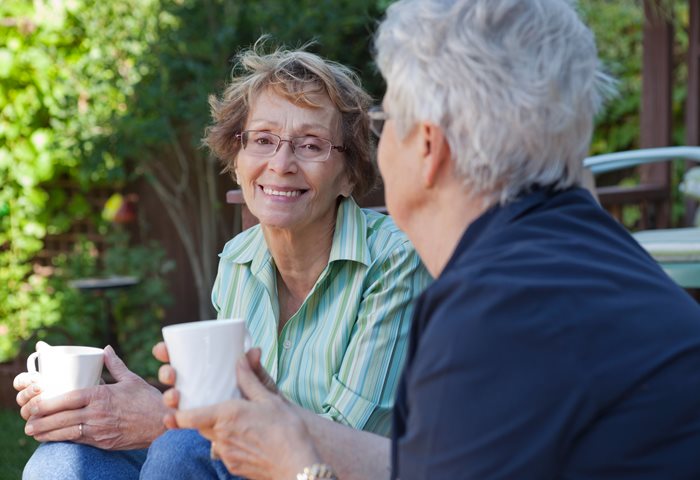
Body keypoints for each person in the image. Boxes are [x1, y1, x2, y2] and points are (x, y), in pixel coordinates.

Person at [163, 0, 700, 479]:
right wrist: (279, 421)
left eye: (386, 118)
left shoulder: (492, 309)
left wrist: (300, 469)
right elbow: (427, 464)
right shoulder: (581, 251)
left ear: (427, 147)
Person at [14, 44, 431, 479]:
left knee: (182, 447)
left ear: (349, 173)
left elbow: (345, 443)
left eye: (311, 145)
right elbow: (220, 408)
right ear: (237, 161)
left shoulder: (394, 261)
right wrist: (103, 411)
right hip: (243, 462)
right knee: (61, 461)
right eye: (264, 140)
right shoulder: (237, 261)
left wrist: (165, 418)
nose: (281, 163)